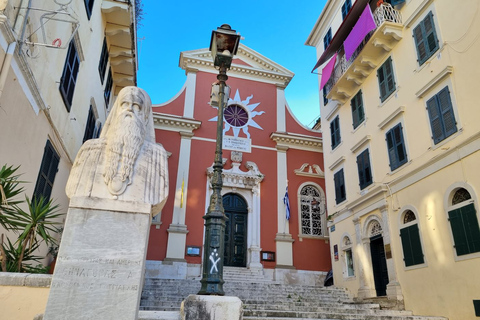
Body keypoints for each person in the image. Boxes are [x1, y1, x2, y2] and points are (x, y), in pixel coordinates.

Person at [66, 86, 168, 214]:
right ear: (116, 110)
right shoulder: (89, 149)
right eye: (124, 104)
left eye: (136, 106)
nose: (129, 109)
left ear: (145, 117)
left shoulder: (157, 157)